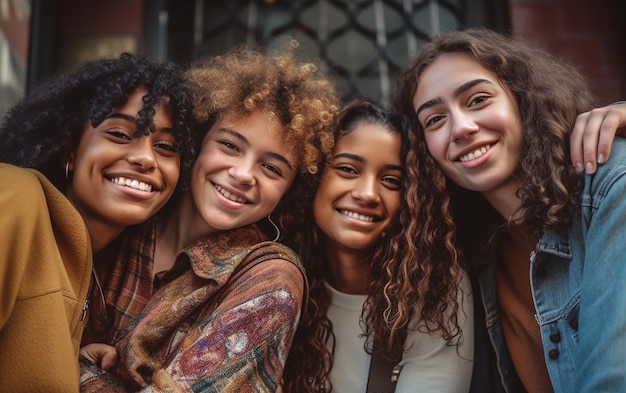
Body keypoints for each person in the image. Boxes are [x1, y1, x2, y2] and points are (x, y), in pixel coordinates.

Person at [78, 45, 339, 392]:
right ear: (197, 143)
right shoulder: (123, 224)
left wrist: (83, 370)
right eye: (230, 146)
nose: (244, 173)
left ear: (287, 193)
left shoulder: (269, 280)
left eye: (272, 168)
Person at [394, 27, 626, 392]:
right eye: (434, 119)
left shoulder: (610, 184)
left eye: (478, 99)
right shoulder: (472, 258)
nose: (461, 128)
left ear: (523, 99)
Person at [0, 53, 194, 392]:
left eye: (166, 146)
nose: (146, 158)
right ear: (69, 150)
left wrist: (71, 357)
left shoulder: (91, 274)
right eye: (119, 134)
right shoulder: (16, 195)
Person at [281, 99, 474, 393]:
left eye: (391, 180)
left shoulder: (436, 287)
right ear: (313, 175)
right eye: (347, 169)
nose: (368, 193)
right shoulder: (274, 280)